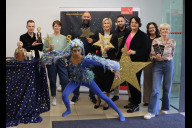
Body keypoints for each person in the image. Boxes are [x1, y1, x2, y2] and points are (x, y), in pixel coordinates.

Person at [40, 38, 125, 122]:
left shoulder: (85, 60)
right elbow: (54, 54)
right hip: (75, 80)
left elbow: (101, 63)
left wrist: (115, 70)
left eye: (79, 50)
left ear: (82, 49)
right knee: (64, 95)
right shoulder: (68, 56)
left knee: (102, 96)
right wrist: (43, 61)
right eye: (74, 50)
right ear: (71, 50)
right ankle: (68, 110)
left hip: (87, 79)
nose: (77, 53)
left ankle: (119, 113)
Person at [144, 23, 176, 119]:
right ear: (160, 31)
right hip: (157, 65)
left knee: (167, 87)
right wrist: (155, 56)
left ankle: (165, 107)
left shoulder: (172, 42)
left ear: (169, 31)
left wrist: (166, 58)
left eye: (167, 29)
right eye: (163, 29)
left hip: (169, 65)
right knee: (155, 89)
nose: (165, 31)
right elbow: (151, 55)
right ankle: (152, 111)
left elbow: (172, 54)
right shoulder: (155, 41)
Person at [119, 16, 149, 113]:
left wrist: (134, 52)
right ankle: (132, 101)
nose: (133, 24)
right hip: (127, 61)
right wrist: (122, 49)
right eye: (132, 22)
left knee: (135, 82)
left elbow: (145, 51)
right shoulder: (128, 33)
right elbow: (124, 44)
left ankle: (136, 104)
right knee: (130, 82)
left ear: (139, 24)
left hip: (137, 63)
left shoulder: (143, 35)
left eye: (136, 22)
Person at [70, 11, 97, 104]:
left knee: (91, 76)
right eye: (84, 16)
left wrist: (93, 41)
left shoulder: (95, 29)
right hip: (77, 57)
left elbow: (98, 43)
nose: (86, 18)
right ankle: (76, 95)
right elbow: (72, 43)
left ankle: (92, 95)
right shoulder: (76, 28)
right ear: (82, 17)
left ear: (90, 18)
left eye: (88, 17)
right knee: (76, 75)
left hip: (90, 57)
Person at [92, 18, 118, 110]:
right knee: (98, 81)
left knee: (108, 81)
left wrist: (109, 48)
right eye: (105, 23)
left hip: (109, 61)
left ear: (110, 25)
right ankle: (98, 100)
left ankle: (107, 101)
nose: (106, 25)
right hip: (99, 61)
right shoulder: (98, 34)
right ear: (103, 25)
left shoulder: (114, 35)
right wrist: (100, 46)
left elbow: (116, 49)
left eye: (108, 23)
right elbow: (94, 45)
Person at [43, 20, 69, 106]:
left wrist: (65, 61)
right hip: (51, 61)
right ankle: (54, 96)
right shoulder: (49, 37)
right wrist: (49, 49)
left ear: (60, 27)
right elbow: (44, 50)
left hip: (61, 61)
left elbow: (66, 51)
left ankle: (64, 97)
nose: (57, 27)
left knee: (65, 80)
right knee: (53, 80)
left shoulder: (64, 38)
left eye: (59, 26)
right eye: (55, 26)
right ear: (53, 27)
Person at [111, 15, 130, 102]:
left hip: (127, 58)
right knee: (116, 77)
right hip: (116, 58)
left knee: (128, 77)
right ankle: (116, 95)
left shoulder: (130, 31)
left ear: (124, 21)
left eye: (121, 21)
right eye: (118, 21)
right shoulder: (114, 32)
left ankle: (130, 96)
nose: (120, 23)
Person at [143, 22, 161, 106]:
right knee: (147, 82)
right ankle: (147, 100)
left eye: (152, 27)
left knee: (156, 82)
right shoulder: (146, 38)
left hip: (158, 62)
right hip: (148, 61)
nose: (151, 29)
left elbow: (160, 52)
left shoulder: (159, 38)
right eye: (149, 28)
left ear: (156, 28)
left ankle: (154, 101)